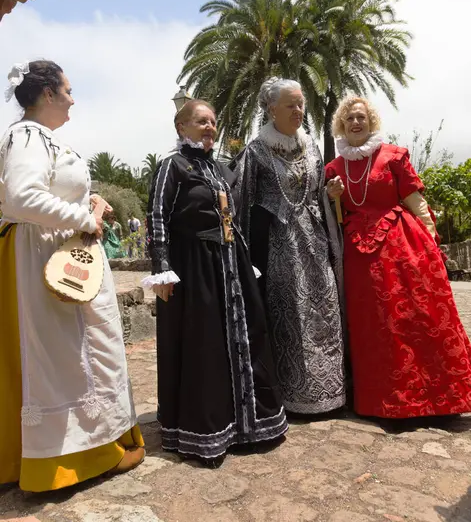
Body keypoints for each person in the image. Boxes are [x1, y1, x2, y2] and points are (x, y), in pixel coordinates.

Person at [0, 60, 144, 492]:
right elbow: (22, 196)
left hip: (52, 250)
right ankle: (69, 460)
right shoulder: (27, 136)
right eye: (67, 90)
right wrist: (82, 215)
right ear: (47, 95)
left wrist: (85, 199)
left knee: (74, 357)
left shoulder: (37, 138)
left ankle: (92, 447)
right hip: (41, 257)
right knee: (62, 361)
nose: (73, 99)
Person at [144, 99, 288, 462]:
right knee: (204, 344)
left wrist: (244, 260)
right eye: (200, 121)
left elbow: (233, 219)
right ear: (181, 127)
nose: (209, 127)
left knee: (247, 338)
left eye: (212, 121)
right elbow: (158, 217)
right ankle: (206, 429)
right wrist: (161, 267)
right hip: (195, 267)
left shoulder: (222, 169)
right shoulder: (171, 167)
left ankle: (250, 424)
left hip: (230, 264)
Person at [325, 95, 471, 419]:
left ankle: (438, 400)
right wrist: (331, 195)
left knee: (418, 318)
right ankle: (383, 403)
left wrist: (432, 238)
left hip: (402, 246)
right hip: (358, 257)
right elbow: (334, 217)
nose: (356, 123)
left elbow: (415, 201)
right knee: (374, 326)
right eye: (350, 119)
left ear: (371, 120)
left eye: (361, 117)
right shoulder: (334, 168)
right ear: (341, 125)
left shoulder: (393, 155)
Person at [233, 77, 346, 415]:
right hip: (279, 249)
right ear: (272, 109)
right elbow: (244, 204)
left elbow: (318, 190)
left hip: (315, 242)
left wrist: (330, 194)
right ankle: (293, 396)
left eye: (300, 104)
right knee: (289, 318)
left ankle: (332, 392)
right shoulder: (255, 152)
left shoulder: (311, 146)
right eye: (291, 104)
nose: (299, 110)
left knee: (324, 312)